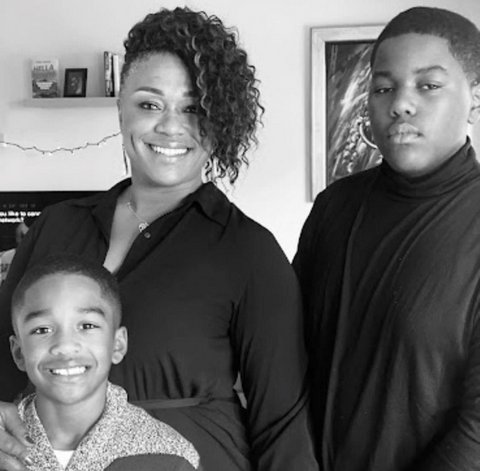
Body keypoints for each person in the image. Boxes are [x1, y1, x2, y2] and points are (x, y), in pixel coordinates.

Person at [0, 7, 317, 471]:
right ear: (121, 107)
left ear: (220, 120)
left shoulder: (248, 252)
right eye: (150, 104)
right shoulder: (56, 225)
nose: (171, 126)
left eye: (192, 108)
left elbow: (283, 424)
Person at [293, 6, 480, 471]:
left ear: (475, 97)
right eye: (383, 87)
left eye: (428, 85)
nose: (400, 103)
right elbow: (288, 352)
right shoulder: (334, 207)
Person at [9, 254, 200, 471]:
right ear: (19, 353)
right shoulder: (5, 444)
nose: (65, 345)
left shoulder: (170, 456)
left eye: (87, 326)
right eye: (42, 330)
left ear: (117, 345)